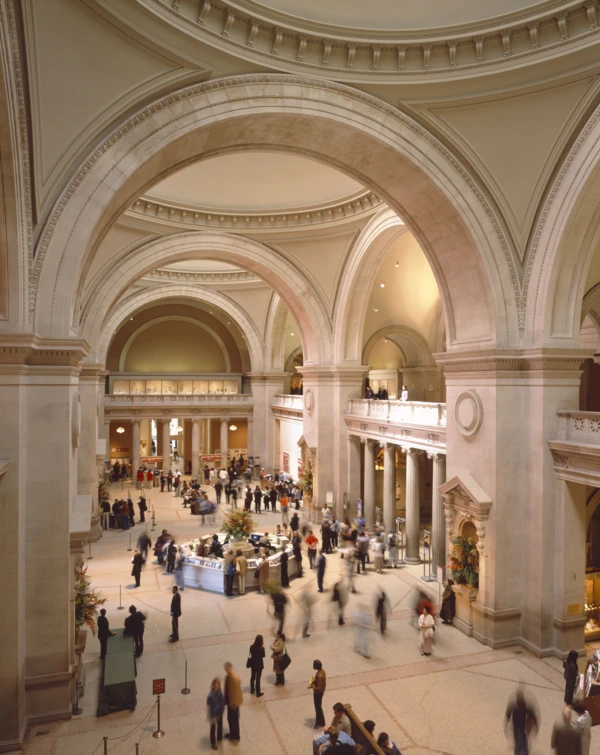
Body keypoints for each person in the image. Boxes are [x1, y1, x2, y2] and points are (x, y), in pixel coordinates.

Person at [504, 687, 539, 755]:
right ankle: (523, 752)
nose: (519, 702)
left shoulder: (525, 706)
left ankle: (523, 752)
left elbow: (533, 716)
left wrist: (535, 727)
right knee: (519, 742)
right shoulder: (514, 706)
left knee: (521, 742)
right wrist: (506, 725)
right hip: (516, 727)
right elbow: (508, 715)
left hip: (523, 727)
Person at [223, 662, 243, 745]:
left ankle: (236, 737)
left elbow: (238, 692)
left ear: (231, 668)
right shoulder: (228, 677)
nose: (228, 670)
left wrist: (235, 703)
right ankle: (232, 734)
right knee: (230, 719)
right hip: (229, 702)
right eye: (226, 668)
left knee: (234, 720)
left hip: (234, 704)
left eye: (229, 668)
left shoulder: (235, 678)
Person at [207, 677, 224, 751]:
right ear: (213, 685)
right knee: (213, 729)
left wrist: (222, 709)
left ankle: (219, 738)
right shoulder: (210, 695)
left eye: (218, 684)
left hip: (219, 713)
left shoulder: (220, 692)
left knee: (220, 726)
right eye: (216, 684)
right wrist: (210, 716)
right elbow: (208, 705)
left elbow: (222, 701)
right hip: (213, 714)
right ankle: (213, 743)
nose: (217, 686)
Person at [310, 659, 326, 729]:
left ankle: (318, 723)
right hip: (321, 692)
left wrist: (312, 686)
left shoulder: (319, 675)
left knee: (318, 708)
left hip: (318, 694)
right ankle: (322, 722)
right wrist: (314, 681)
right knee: (319, 707)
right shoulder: (322, 671)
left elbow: (319, 688)